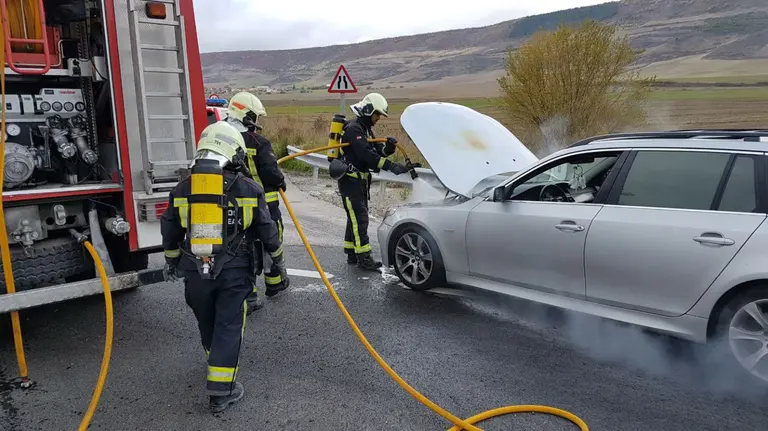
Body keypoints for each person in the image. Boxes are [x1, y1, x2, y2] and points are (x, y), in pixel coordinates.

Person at [161, 121, 288, 413]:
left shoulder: (182, 189)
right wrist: (278, 262)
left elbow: (170, 228)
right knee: (229, 325)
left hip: (194, 270)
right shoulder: (248, 188)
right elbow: (268, 231)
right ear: (233, 153)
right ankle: (222, 391)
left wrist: (171, 260)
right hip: (234, 270)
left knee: (207, 319)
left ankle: (216, 359)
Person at [224, 91, 289, 315]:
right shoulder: (257, 141)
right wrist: (282, 181)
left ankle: (248, 295)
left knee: (240, 249)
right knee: (272, 240)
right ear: (248, 115)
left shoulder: (219, 137)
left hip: (228, 207)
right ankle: (274, 283)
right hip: (263, 206)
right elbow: (271, 173)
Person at [336, 93, 410, 270]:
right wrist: (392, 167)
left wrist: (389, 148)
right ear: (369, 111)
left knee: (354, 217)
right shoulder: (354, 129)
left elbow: (377, 152)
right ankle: (364, 257)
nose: (378, 119)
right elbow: (366, 155)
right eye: (377, 114)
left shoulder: (365, 129)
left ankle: (351, 253)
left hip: (359, 181)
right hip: (350, 181)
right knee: (360, 219)